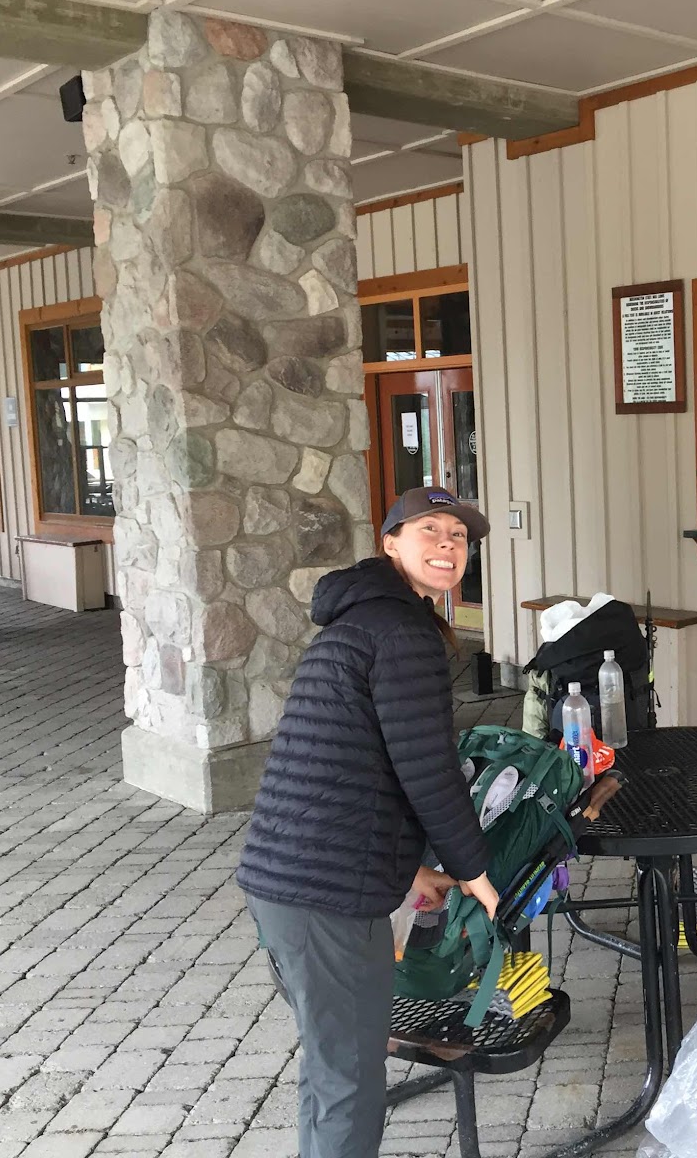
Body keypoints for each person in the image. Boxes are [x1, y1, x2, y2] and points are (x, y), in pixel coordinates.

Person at [236, 486, 500, 1158]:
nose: (447, 545)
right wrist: (475, 870)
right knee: (349, 1081)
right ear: (390, 544)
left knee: (333, 1069)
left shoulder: (370, 620)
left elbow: (358, 765)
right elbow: (427, 770)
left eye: (458, 536)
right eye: (430, 530)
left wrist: (410, 870)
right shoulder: (400, 632)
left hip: (292, 879)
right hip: (323, 893)